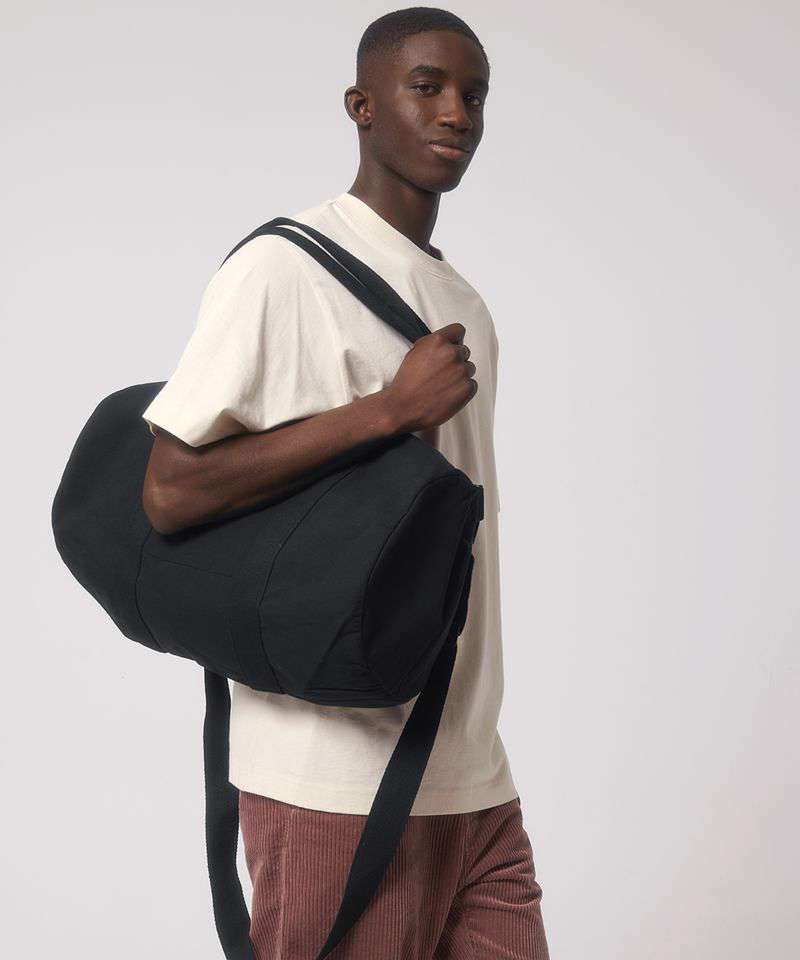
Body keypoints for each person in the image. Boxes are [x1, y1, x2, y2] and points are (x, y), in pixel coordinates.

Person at [141, 7, 550, 959]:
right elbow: (170, 489)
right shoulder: (283, 270)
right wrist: (387, 410)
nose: (456, 114)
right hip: (333, 780)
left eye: (475, 95)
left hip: (470, 771)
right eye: (427, 87)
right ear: (361, 106)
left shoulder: (463, 302)